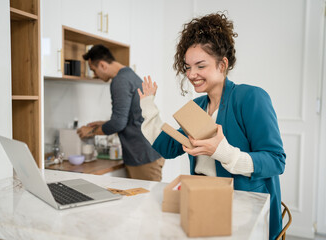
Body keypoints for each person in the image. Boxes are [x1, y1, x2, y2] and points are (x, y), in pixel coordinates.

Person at [137, 13, 286, 240]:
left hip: (244, 210)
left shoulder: (251, 97)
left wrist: (223, 152)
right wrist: (148, 107)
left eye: (200, 65)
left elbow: (276, 160)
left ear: (222, 64)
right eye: (187, 67)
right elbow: (168, 148)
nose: (191, 74)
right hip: (203, 203)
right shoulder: (198, 106)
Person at [77, 44, 164, 181]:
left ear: (103, 65)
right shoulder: (130, 75)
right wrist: (104, 124)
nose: (95, 75)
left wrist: (90, 131)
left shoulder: (119, 81)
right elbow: (132, 116)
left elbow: (118, 123)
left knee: (148, 201)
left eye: (94, 70)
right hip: (150, 151)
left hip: (142, 154)